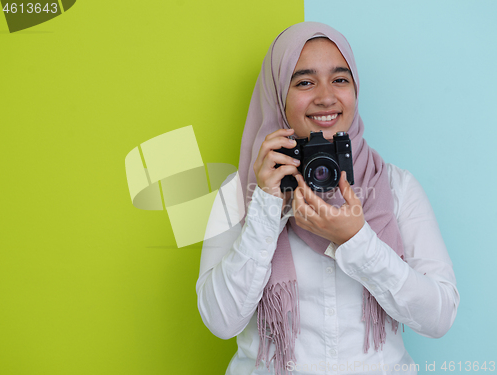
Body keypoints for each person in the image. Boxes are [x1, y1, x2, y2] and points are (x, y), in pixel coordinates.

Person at [196, 22, 459, 375]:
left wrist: (356, 239)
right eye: (304, 81)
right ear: (278, 95)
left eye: (340, 79)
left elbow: (439, 317)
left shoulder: (396, 187)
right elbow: (221, 321)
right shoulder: (238, 191)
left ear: (354, 89)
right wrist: (265, 205)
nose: (326, 97)